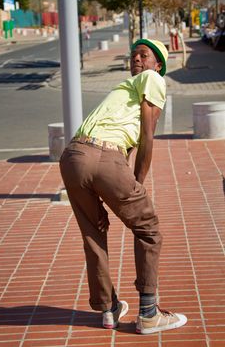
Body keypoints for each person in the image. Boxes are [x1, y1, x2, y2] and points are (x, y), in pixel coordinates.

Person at [59, 38, 187, 335]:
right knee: (148, 230)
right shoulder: (153, 79)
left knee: (94, 234)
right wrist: (137, 186)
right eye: (134, 56)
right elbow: (147, 136)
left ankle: (108, 309)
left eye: (144, 55)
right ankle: (149, 313)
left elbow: (123, 147)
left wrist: (113, 193)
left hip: (72, 157)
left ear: (159, 63)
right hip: (103, 157)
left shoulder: (126, 90)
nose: (137, 60)